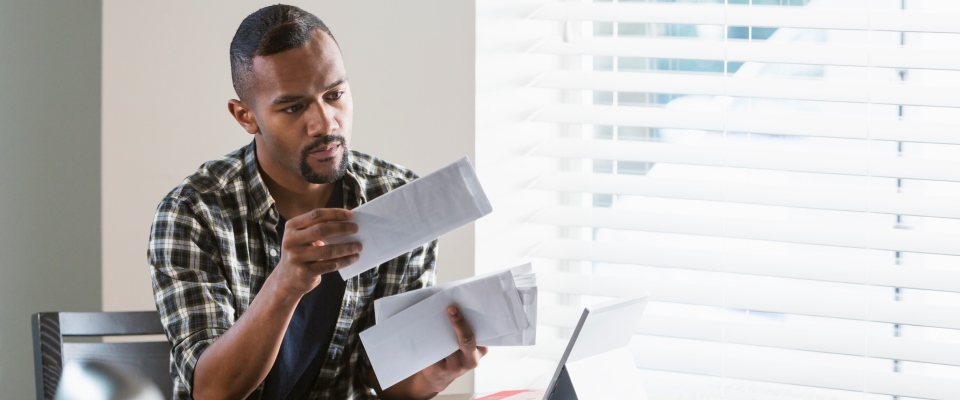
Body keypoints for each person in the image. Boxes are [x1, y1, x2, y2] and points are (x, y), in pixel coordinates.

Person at [147, 5, 485, 399]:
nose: (325, 123)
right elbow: (213, 392)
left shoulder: (397, 198)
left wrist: (436, 374)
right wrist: (286, 285)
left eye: (335, 94)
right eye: (293, 107)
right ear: (246, 116)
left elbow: (384, 382)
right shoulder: (193, 214)